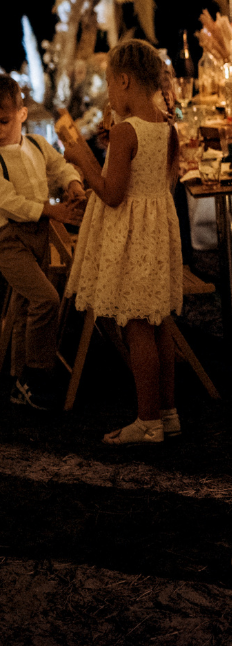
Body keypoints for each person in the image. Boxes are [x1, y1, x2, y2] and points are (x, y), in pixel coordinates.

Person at [62, 40, 183, 445]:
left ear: (125, 80)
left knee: (135, 324)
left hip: (133, 239)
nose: (108, 94)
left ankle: (146, 421)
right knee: (158, 320)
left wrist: (83, 158)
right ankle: (167, 411)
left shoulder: (128, 132)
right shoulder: (164, 124)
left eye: (110, 84)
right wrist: (110, 140)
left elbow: (112, 192)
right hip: (156, 232)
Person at [0, 75, 84, 410]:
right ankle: (38, 373)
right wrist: (51, 211)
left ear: (21, 113)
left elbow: (60, 167)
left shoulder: (35, 144)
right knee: (46, 299)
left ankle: (19, 379)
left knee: (25, 306)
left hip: (37, 235)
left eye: (3, 121)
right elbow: (9, 202)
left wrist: (74, 184)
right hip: (8, 241)